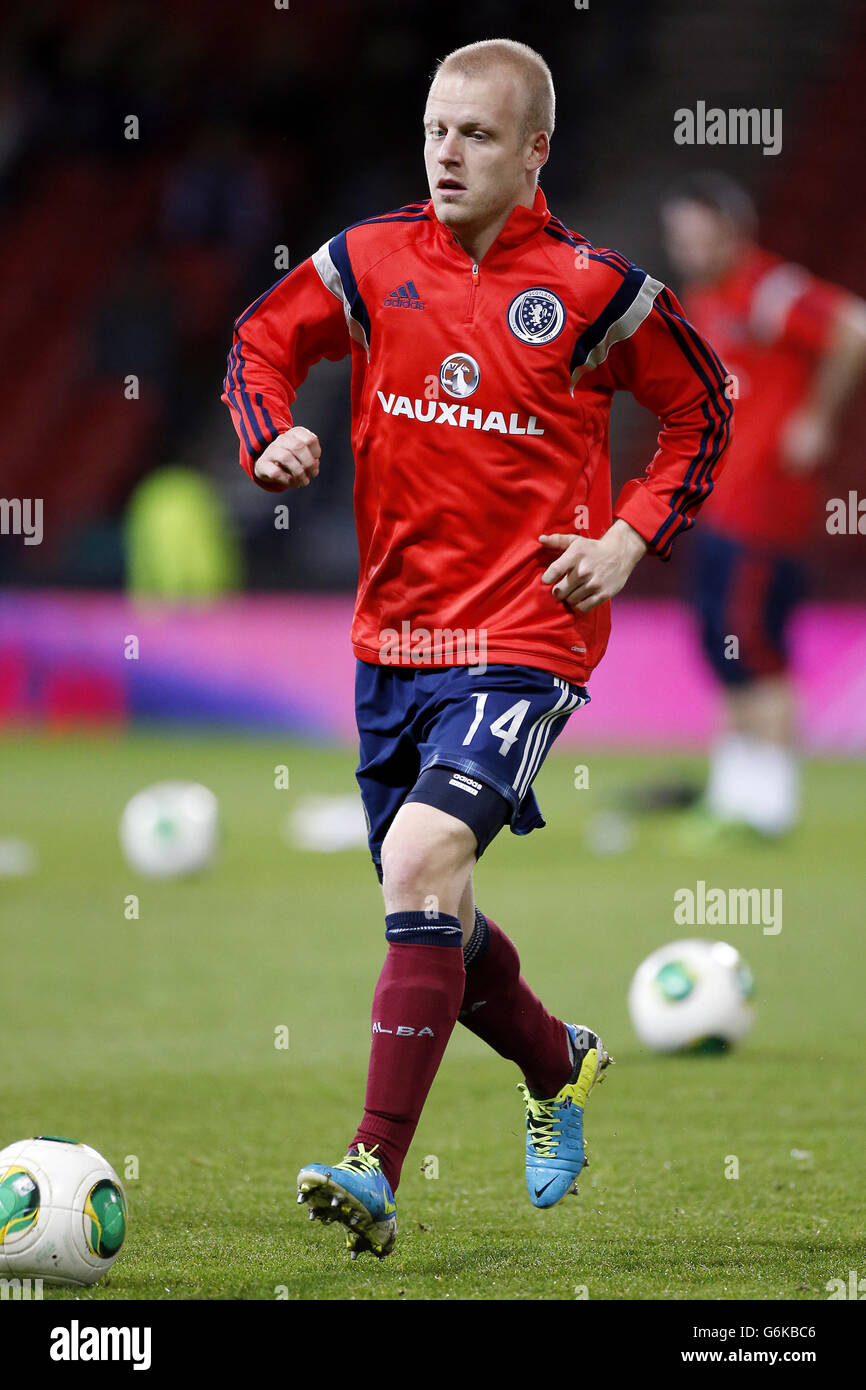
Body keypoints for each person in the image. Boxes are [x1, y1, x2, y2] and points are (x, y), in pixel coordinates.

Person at [223, 39, 731, 1260]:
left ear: (534, 151)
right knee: (428, 898)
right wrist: (268, 436)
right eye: (435, 130)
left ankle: (372, 1170)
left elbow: (701, 408)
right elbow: (257, 341)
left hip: (526, 636)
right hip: (392, 639)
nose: (446, 154)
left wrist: (623, 540)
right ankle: (558, 1062)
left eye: (477, 136)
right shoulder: (369, 257)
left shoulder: (596, 290)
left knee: (421, 853)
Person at [661, 173, 866, 838]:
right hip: (721, 503)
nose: (688, 248)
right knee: (721, 646)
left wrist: (816, 418)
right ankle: (735, 797)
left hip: (766, 505)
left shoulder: (767, 289)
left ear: (733, 232)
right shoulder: (706, 299)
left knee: (753, 647)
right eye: (680, 238)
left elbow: (854, 328)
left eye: (699, 235)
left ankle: (769, 809)